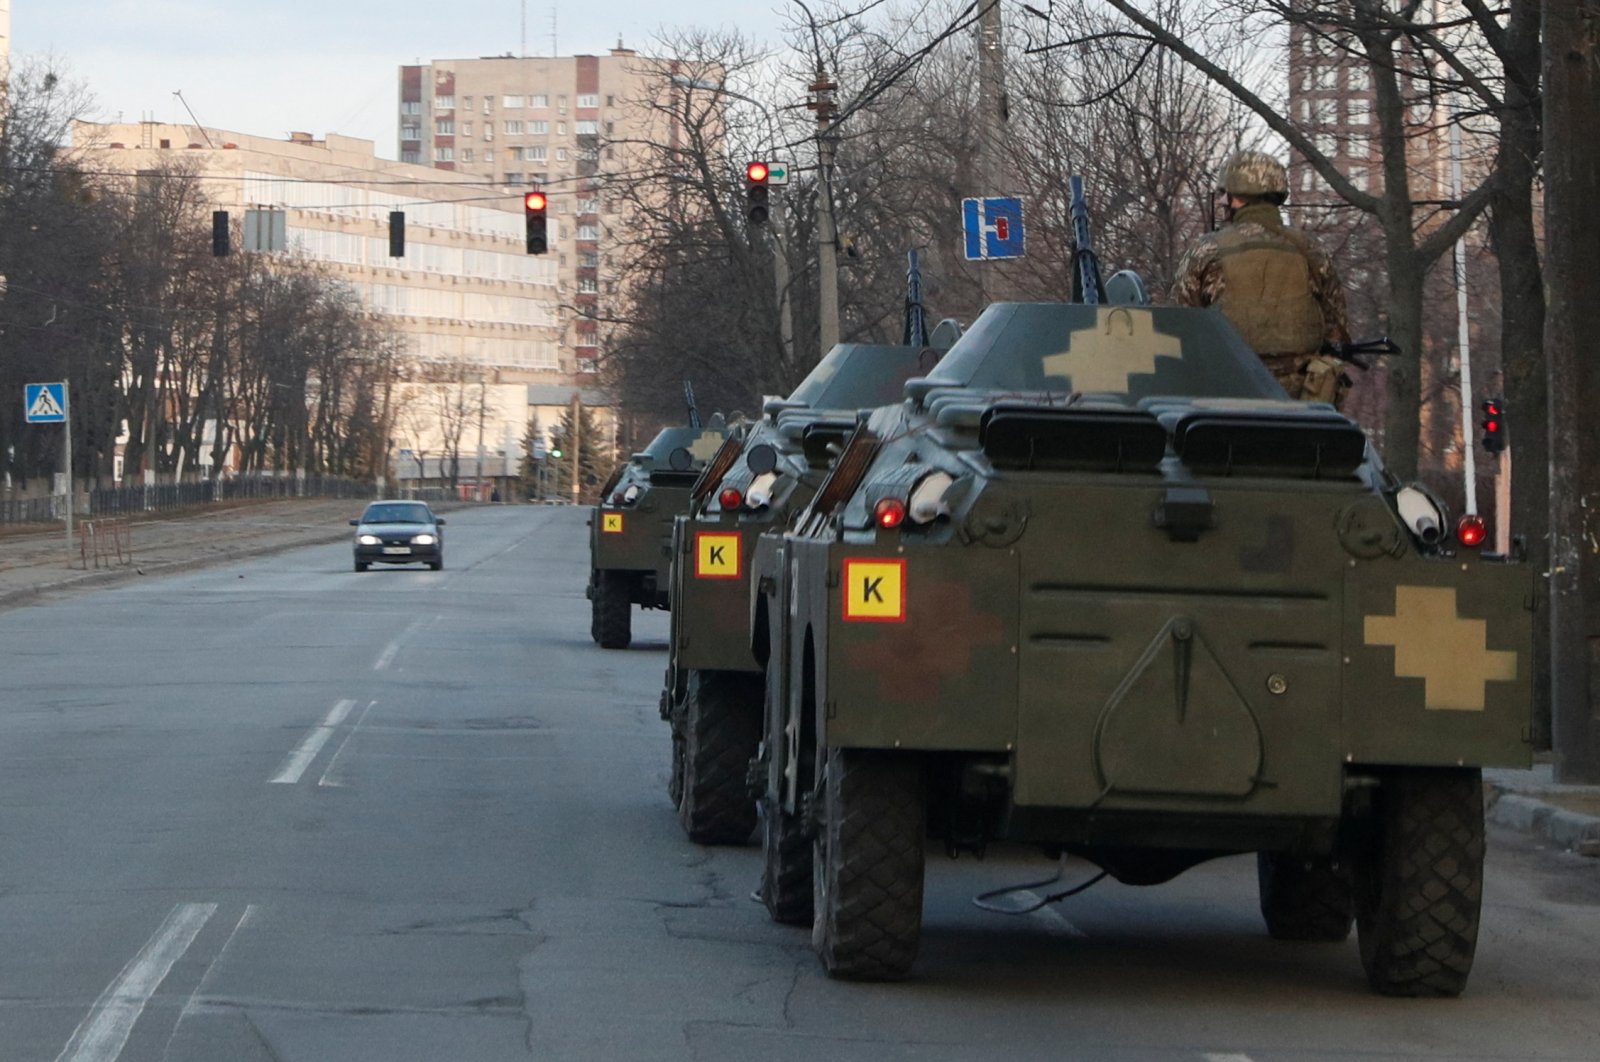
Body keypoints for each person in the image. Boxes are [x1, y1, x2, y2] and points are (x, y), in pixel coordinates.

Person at [1175, 150, 1353, 408]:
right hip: (1303, 407)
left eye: (1226, 194)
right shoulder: (1311, 251)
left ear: (1237, 199)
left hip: (1226, 403)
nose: (1222, 201)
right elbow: (1337, 331)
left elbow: (1181, 327)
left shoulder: (1206, 250)